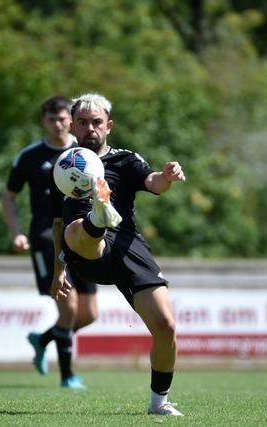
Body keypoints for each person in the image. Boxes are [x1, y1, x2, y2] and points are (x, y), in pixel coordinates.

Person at [50, 93, 186, 416]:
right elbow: (57, 224)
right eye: (82, 123)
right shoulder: (63, 165)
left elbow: (152, 183)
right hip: (86, 249)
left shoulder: (125, 160)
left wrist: (166, 177)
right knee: (75, 230)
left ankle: (159, 403)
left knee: (166, 326)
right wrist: (59, 269)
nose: (90, 129)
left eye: (96, 122)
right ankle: (97, 217)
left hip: (126, 243)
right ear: (72, 125)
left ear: (108, 126)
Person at [1, 96, 98, 389]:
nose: (57, 124)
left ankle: (43, 338)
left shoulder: (87, 154)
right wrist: (16, 231)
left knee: (89, 314)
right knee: (68, 309)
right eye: (51, 119)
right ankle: (68, 376)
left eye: (62, 118)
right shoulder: (30, 156)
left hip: (82, 234)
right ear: (44, 121)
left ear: (71, 120)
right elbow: (8, 196)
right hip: (46, 236)